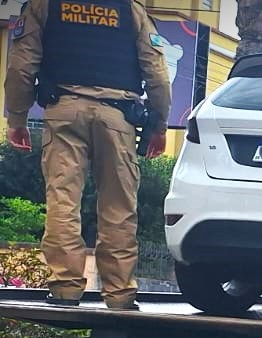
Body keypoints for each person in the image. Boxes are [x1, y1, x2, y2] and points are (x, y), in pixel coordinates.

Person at [5, 0, 171, 310]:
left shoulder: (44, 6)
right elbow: (158, 75)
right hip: (118, 116)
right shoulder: (131, 10)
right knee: (119, 207)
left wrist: (17, 119)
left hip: (64, 112)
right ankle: (120, 293)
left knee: (63, 201)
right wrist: (158, 125)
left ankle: (65, 289)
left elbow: (21, 66)